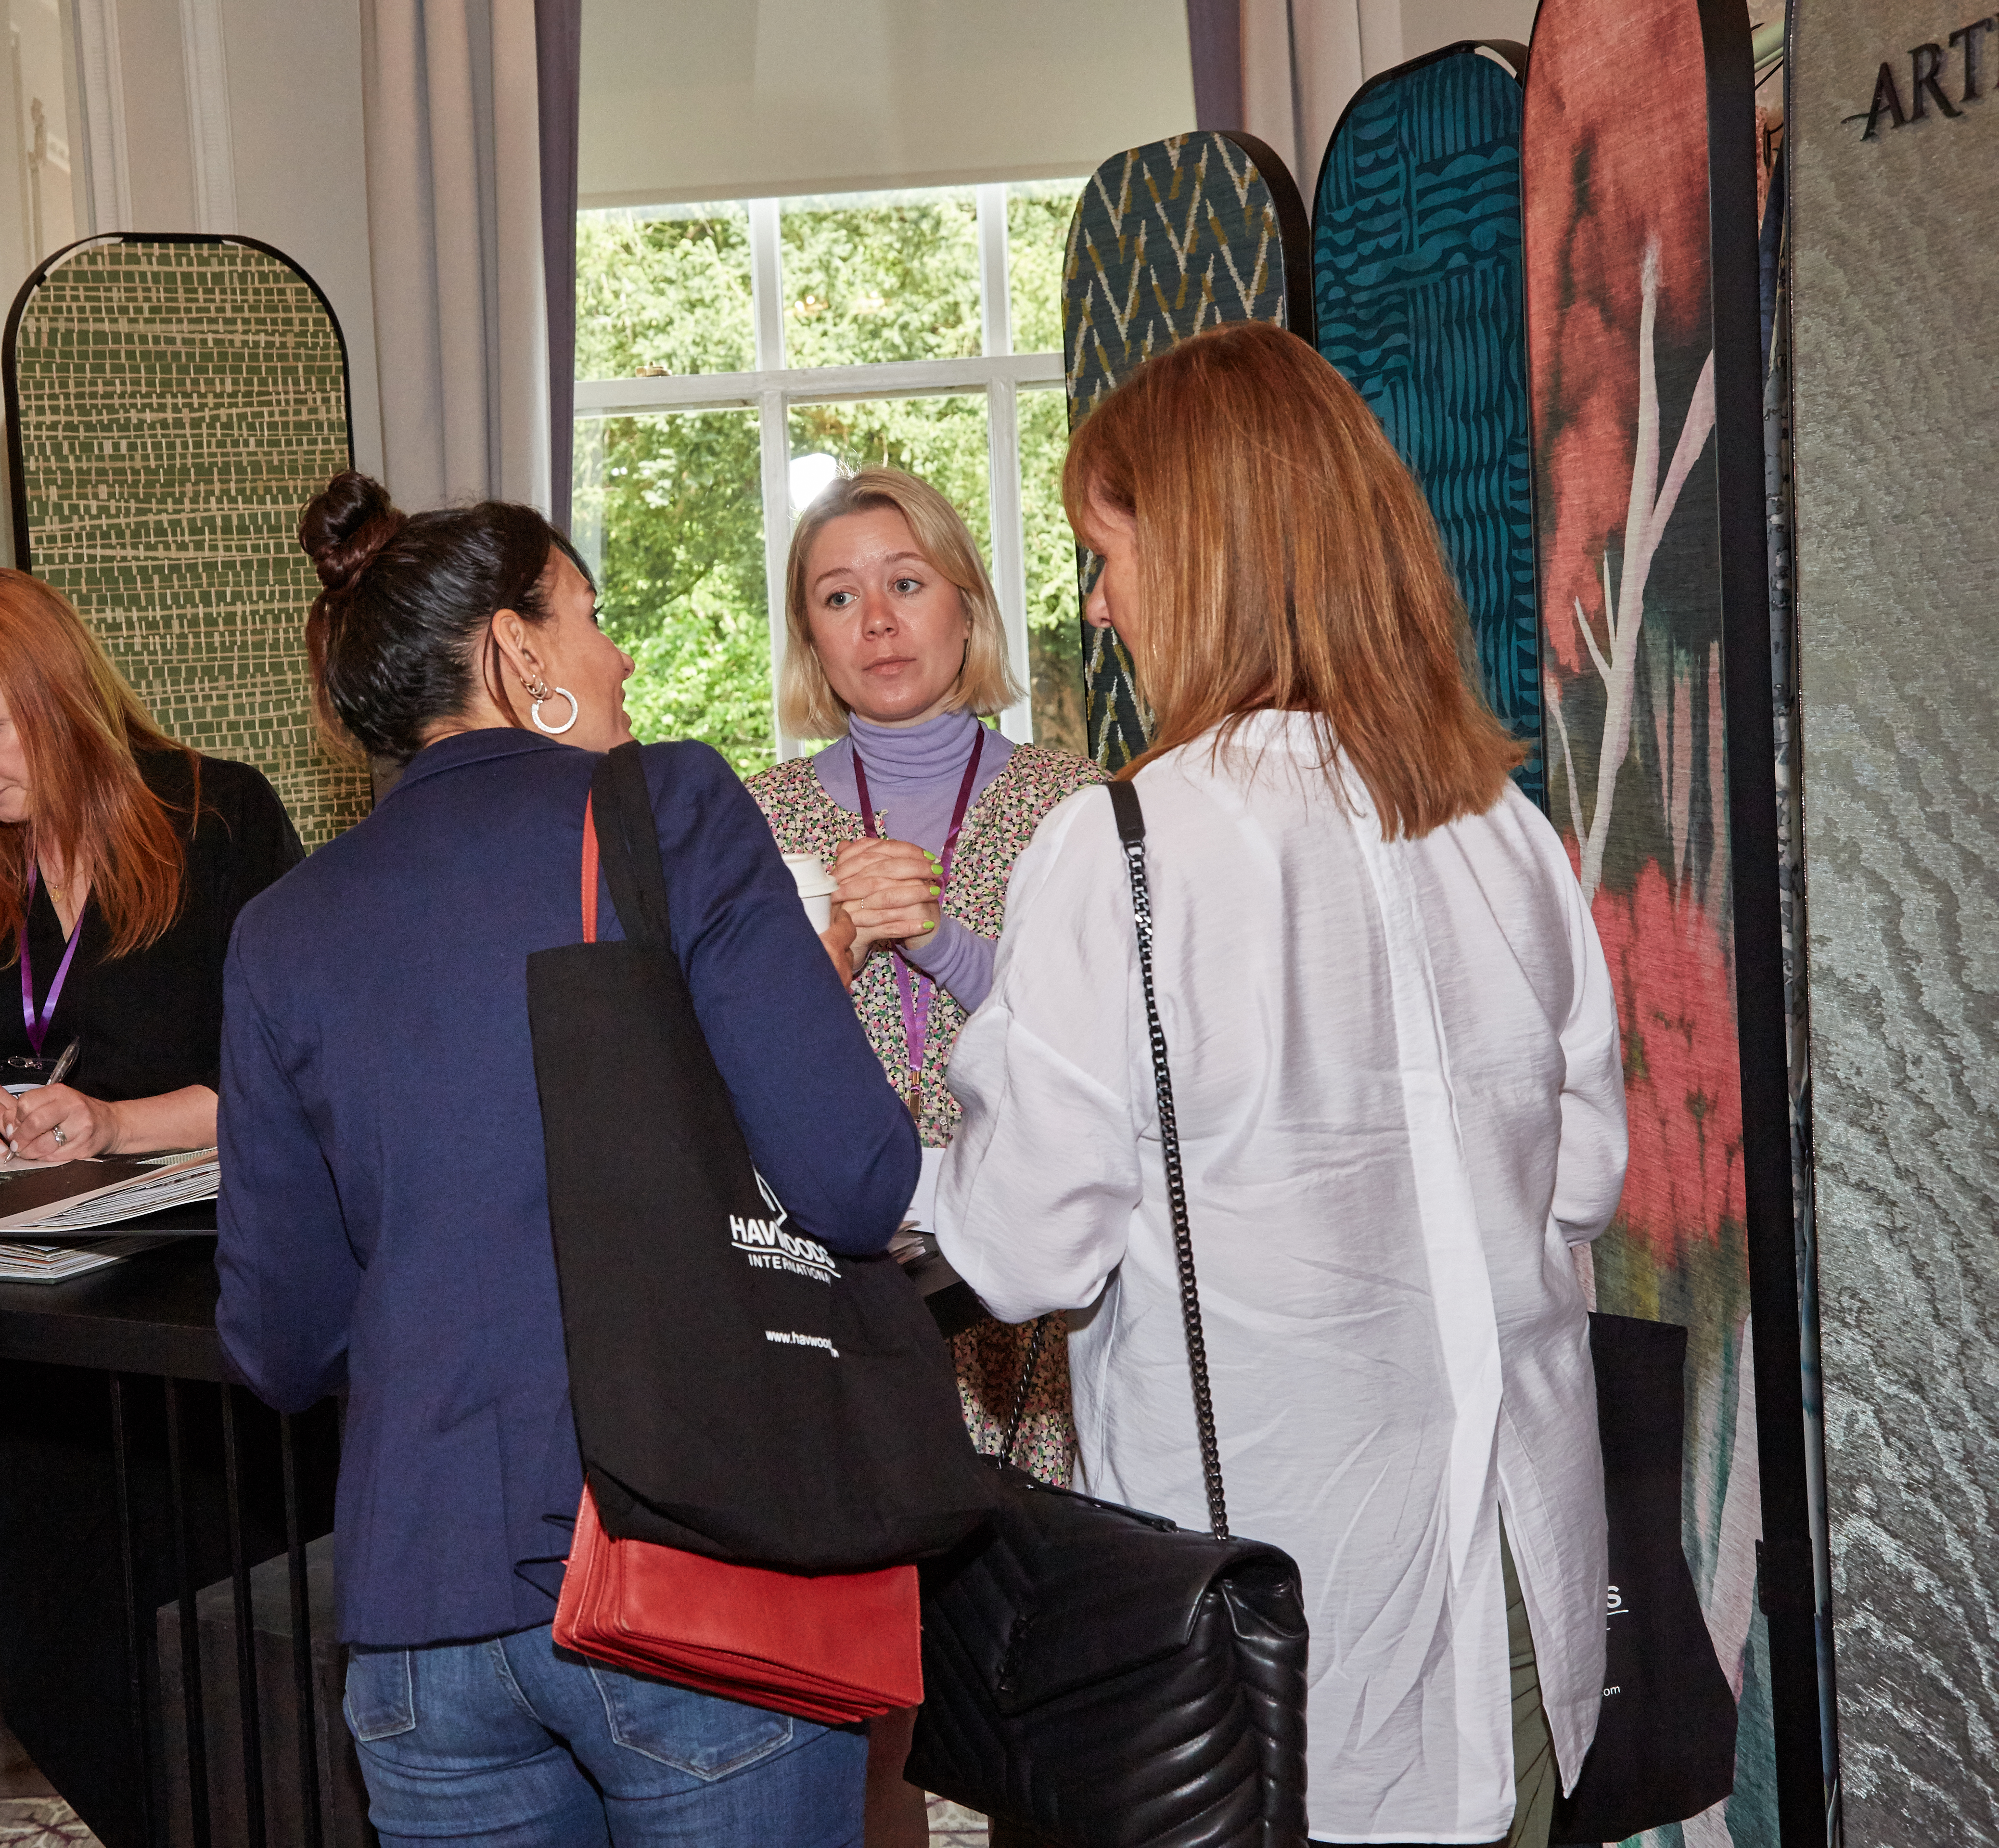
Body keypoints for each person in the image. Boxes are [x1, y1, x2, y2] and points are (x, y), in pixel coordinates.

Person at [935, 322, 1623, 1848]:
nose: (1098, 603)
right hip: (1517, 1571)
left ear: (1207, 555)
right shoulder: (1505, 828)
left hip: (1264, 1628)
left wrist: (888, 1175)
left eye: (1108, 555)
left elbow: (1028, 1242)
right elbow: (1583, 1181)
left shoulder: (1121, 849)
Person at [213, 472, 918, 1848]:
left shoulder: (284, 928)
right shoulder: (672, 807)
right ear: (514, 649)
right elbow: (855, 1178)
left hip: (418, 1611)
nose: (622, 653)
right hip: (683, 1560)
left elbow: (283, 1340)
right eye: (590, 616)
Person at [0, 564, 302, 1839]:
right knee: (67, 1677)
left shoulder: (219, 821)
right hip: (22, 1348)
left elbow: (305, 1072)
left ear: (60, 695)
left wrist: (116, 1125)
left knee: (232, 1674)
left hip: (201, 1329)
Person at [742, 466, 1104, 1843]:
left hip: (1040, 1298)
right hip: (841, 1293)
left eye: (906, 582)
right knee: (864, 1685)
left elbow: (1116, 1048)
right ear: (810, 637)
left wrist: (946, 941)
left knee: (1048, 1672)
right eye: (839, 595)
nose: (878, 620)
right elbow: (716, 1061)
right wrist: (830, 954)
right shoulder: (752, 816)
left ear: (965, 604)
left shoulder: (1081, 804)